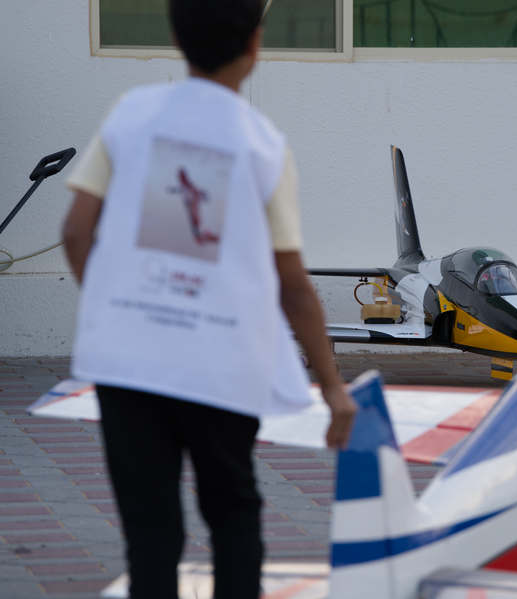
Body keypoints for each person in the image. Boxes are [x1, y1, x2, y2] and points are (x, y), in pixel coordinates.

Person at [61, 1, 356, 598]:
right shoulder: (263, 144)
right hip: (220, 364)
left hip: (128, 362)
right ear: (255, 44)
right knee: (231, 510)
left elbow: (74, 232)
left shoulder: (132, 112)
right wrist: (331, 386)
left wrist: (120, 310)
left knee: (150, 530)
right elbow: (292, 284)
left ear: (176, 36)